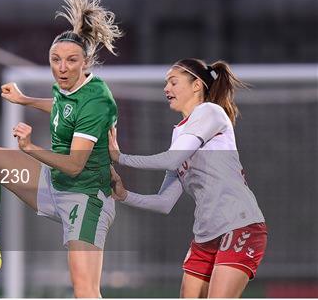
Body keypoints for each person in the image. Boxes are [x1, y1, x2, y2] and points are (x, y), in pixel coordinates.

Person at [0, 0, 122, 297]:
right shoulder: (70, 87)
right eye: (56, 60)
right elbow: (63, 108)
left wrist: (30, 148)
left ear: (87, 63)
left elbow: (76, 165)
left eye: (71, 61)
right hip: (53, 184)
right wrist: (25, 100)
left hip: (86, 199)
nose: (62, 68)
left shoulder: (96, 100)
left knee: (84, 291)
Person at [109, 58, 267, 298]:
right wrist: (123, 196)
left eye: (173, 82)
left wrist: (121, 158)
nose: (166, 89)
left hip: (239, 225)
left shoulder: (210, 112)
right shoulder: (180, 135)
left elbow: (171, 160)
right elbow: (164, 203)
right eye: (166, 83)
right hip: (205, 234)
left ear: (196, 86)